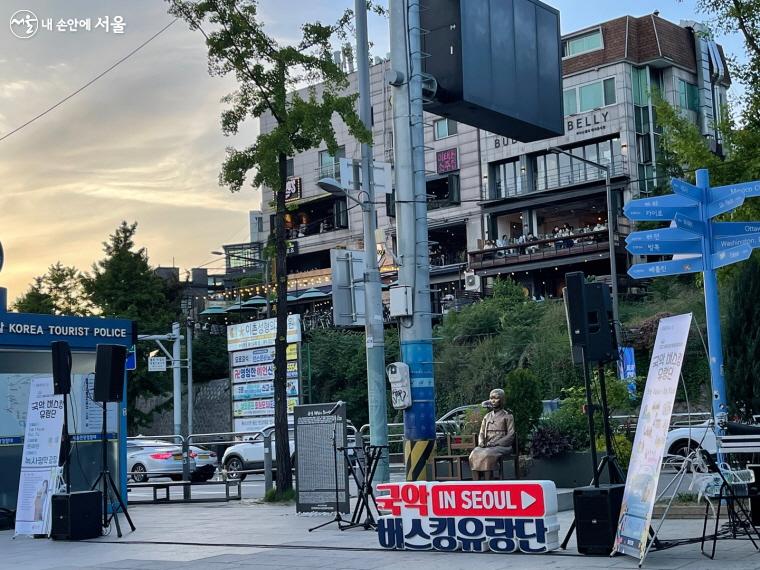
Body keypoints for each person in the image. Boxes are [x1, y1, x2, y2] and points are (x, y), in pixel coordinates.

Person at [469, 389, 515, 480]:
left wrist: (496, 443)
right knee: (474, 453)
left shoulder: (508, 416)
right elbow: (481, 432)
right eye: (491, 398)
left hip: (502, 446)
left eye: (496, 398)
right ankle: (476, 483)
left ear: (501, 399)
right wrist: (481, 442)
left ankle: (488, 482)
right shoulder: (487, 416)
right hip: (487, 445)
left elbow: (511, 434)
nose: (493, 401)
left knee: (487, 454)